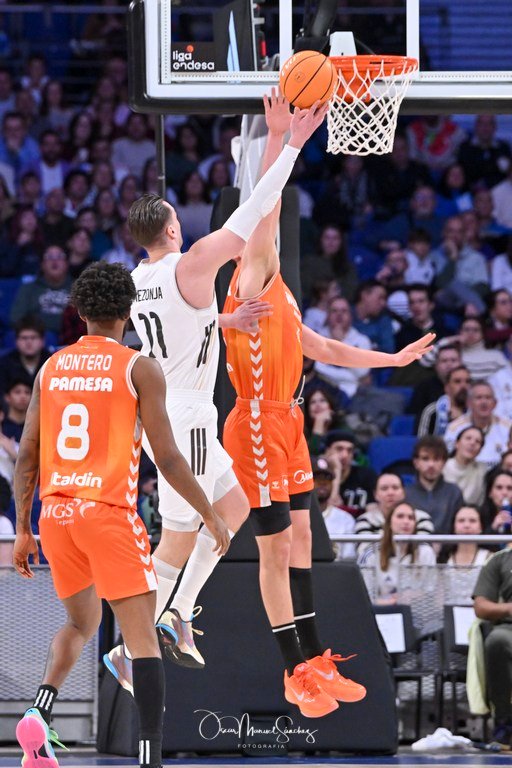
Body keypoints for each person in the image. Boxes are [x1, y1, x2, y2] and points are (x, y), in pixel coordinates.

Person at [222, 91, 434, 717]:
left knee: (304, 536)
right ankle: (294, 670)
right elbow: (264, 205)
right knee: (273, 549)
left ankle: (315, 657)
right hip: (255, 419)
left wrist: (391, 360)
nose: (271, 231)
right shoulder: (251, 274)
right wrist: (280, 139)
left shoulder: (282, 295)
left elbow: (325, 348)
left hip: (287, 419)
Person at [116, 94, 328, 684]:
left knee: (231, 511)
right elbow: (256, 209)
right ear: (173, 227)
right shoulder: (191, 263)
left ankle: (173, 615)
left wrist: (223, 319)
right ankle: (136, 640)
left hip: (170, 411)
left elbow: (177, 326)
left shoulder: (137, 279)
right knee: (180, 537)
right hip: (186, 418)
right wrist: (288, 141)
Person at [12, 262, 228, 768]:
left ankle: (40, 711)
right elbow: (168, 457)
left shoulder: (51, 367)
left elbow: (27, 454)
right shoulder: (138, 367)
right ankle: (150, 755)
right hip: (106, 514)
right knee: (142, 640)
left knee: (79, 623)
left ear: (79, 311)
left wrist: (23, 528)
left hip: (56, 515)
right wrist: (209, 513)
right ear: (128, 312)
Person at [357, 500, 436, 604]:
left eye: (411, 518)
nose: (406, 521)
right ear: (389, 523)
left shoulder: (426, 552)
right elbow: (363, 597)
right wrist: (390, 602)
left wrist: (413, 596)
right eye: (400, 516)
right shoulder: (371, 554)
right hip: (381, 611)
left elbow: (430, 592)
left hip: (417, 610)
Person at [473, 547, 512, 744]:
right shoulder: (499, 560)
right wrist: (509, 608)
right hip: (509, 627)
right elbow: (481, 606)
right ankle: (505, 721)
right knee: (497, 640)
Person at [355, 472, 433, 558]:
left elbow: (423, 552)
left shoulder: (421, 518)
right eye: (384, 488)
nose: (390, 493)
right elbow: (365, 554)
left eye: (395, 488)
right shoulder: (364, 521)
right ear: (375, 494)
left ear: (403, 492)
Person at [444, 381, 512, 467]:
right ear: (469, 403)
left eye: (488, 398)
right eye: (479, 398)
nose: (484, 402)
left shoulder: (508, 427)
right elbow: (449, 458)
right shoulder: (454, 428)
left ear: (495, 403)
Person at [405, 436, 464, 533]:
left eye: (436, 459)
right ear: (416, 463)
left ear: (444, 463)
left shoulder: (454, 492)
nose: (431, 465)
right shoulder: (405, 493)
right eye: (425, 459)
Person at [312, 455, 355, 561]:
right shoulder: (296, 516)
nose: (322, 483)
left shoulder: (346, 519)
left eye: (327, 479)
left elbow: (348, 559)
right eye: (317, 478)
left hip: (336, 569)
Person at [417, 364, 470, 437]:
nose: (463, 386)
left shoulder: (477, 411)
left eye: (467, 381)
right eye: (457, 381)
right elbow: (421, 442)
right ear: (447, 387)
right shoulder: (432, 411)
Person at [442, 426, 487, 507]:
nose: (472, 443)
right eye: (468, 438)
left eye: (477, 441)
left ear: (480, 450)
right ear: (457, 443)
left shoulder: (481, 471)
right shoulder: (442, 467)